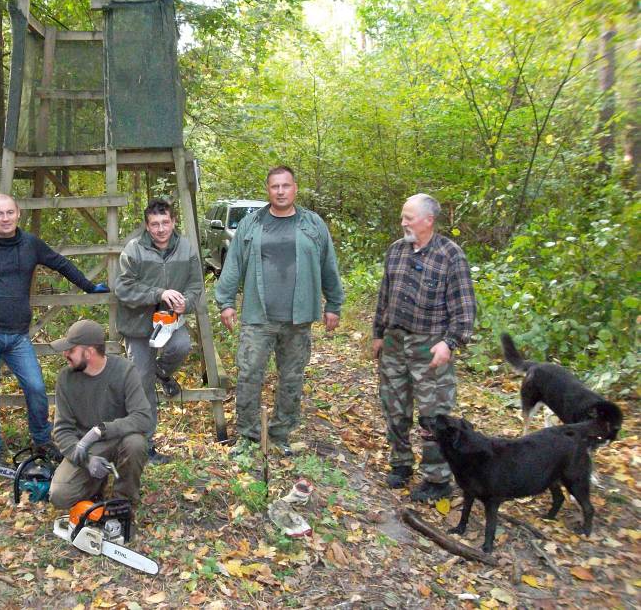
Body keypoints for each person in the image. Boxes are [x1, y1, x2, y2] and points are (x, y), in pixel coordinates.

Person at [0, 194, 108, 469]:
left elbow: (60, 263)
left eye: (9, 212)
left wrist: (89, 286)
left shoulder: (30, 244)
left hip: (17, 336)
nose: (5, 218)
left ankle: (42, 441)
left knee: (36, 388)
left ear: (18, 214)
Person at [215, 166, 344, 456]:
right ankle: (248, 437)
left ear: (295, 188)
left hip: (298, 318)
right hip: (258, 317)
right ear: (268, 190)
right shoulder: (251, 224)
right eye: (275, 186)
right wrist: (226, 302)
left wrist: (334, 304)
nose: (281, 191)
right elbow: (233, 263)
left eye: (286, 185)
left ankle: (280, 434)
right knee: (249, 374)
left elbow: (328, 264)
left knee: (292, 378)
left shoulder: (313, 224)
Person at [372, 193, 476, 502]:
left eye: (409, 217)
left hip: (430, 347)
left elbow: (465, 309)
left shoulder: (450, 256)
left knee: (434, 415)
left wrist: (450, 342)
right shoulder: (396, 251)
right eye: (402, 217)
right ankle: (401, 463)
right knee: (394, 407)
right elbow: (384, 296)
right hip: (394, 342)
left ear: (428, 220)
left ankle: (438, 478)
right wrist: (378, 334)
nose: (403, 222)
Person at [114, 198, 203, 464]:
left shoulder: (186, 248)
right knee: (142, 383)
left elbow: (196, 285)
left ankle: (162, 373)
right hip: (138, 325)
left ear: (173, 222)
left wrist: (187, 302)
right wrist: (158, 293)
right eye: (155, 224)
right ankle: (146, 445)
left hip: (169, 321)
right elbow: (123, 288)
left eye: (165, 222)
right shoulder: (134, 250)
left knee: (182, 346)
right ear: (147, 225)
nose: (161, 229)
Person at [48, 319, 152, 508]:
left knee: (136, 443)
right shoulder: (65, 379)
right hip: (85, 447)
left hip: (119, 440)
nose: (65, 354)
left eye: (71, 350)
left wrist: (102, 430)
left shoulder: (124, 370)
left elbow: (143, 417)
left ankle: (123, 501)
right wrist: (87, 461)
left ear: (89, 352)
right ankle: (97, 481)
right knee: (60, 497)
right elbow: (62, 431)